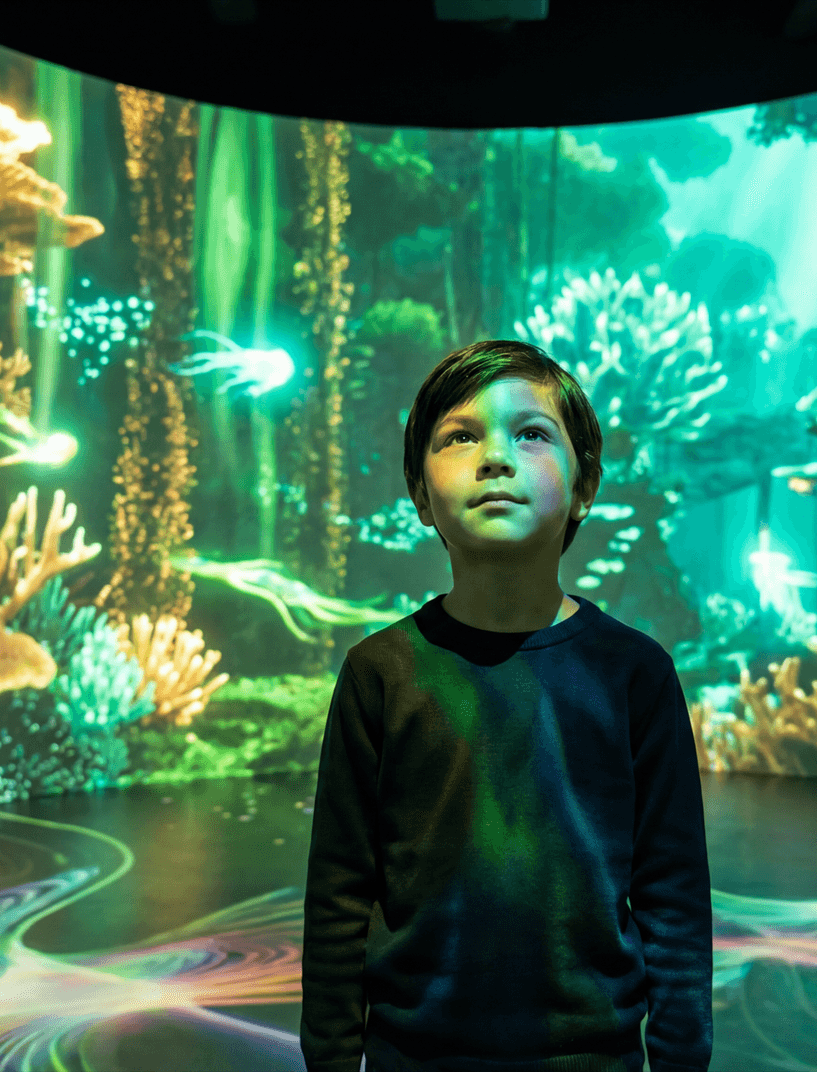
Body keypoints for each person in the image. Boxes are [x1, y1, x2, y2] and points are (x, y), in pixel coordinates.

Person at [300, 340, 713, 1072]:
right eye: (459, 436)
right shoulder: (379, 674)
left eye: (531, 433)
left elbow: (672, 895)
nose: (495, 457)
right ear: (420, 494)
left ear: (585, 485)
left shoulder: (636, 674)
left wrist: (680, 1058)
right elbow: (338, 896)